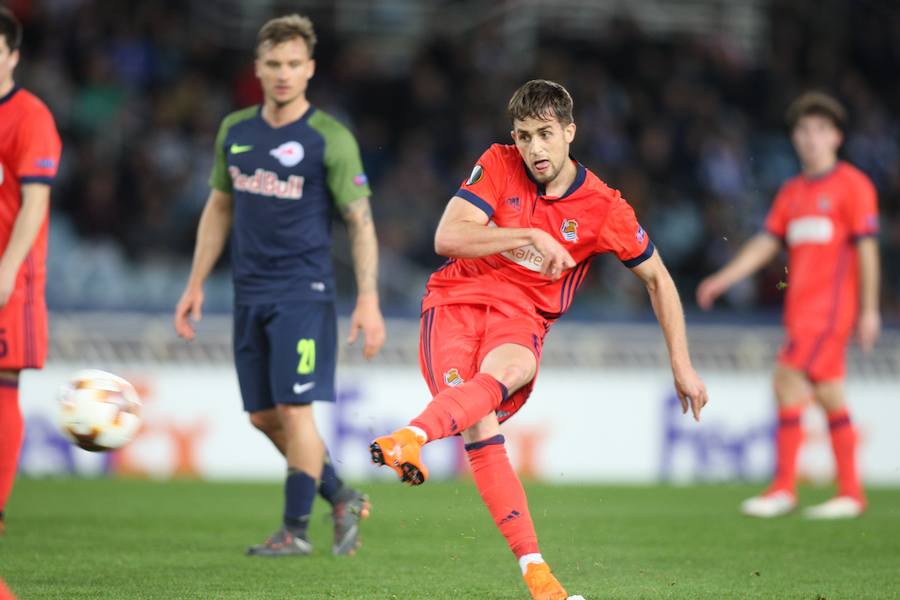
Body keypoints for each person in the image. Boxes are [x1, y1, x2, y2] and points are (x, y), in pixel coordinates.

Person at [370, 80, 709, 600]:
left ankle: (412, 438)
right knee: (478, 429)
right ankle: (540, 579)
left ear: (570, 132)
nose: (534, 149)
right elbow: (447, 238)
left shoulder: (604, 207)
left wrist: (682, 364)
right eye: (525, 136)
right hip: (454, 303)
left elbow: (659, 279)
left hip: (519, 315)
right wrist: (527, 234)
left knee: (513, 370)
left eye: (545, 134)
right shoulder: (499, 162)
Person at [174, 14, 385, 556]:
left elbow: (360, 221)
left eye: (294, 64)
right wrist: (195, 282)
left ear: (310, 69)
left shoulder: (329, 138)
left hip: (303, 293)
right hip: (249, 293)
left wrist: (368, 298)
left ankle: (294, 531)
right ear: (258, 68)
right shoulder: (235, 131)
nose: (284, 74)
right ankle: (340, 494)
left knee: (295, 412)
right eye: (274, 64)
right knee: (263, 417)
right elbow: (219, 206)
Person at [697, 92, 880, 519]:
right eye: (803, 130)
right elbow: (766, 242)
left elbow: (867, 250)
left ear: (836, 136)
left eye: (820, 130)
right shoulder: (793, 192)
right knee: (829, 393)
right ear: (794, 138)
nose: (811, 138)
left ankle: (785, 488)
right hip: (798, 313)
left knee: (786, 381)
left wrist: (870, 310)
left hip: (830, 313)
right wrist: (725, 277)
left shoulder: (853, 186)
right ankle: (850, 493)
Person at [0, 7, 62, 536]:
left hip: (8, 277)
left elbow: (35, 203)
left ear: (13, 55)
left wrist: (7, 268)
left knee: (2, 385)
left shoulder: (30, 116)